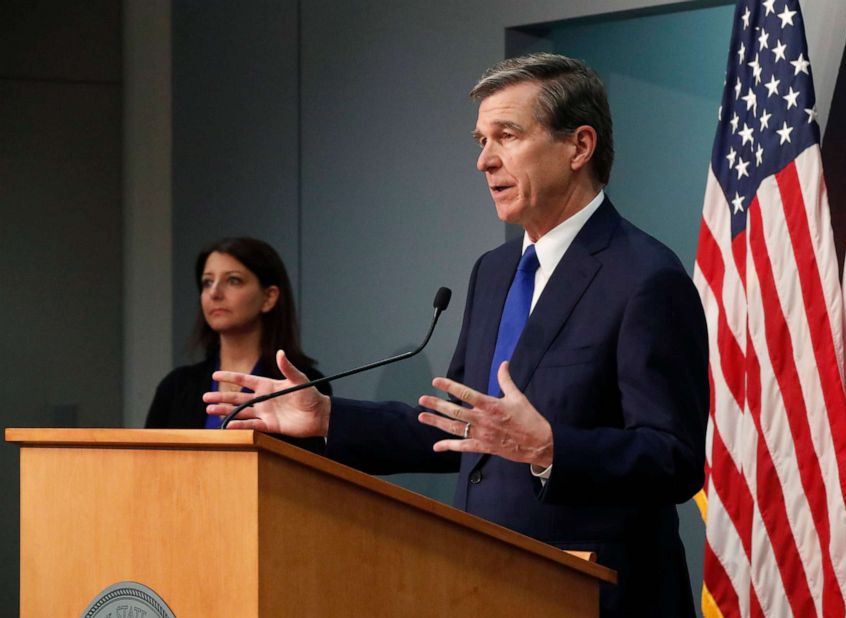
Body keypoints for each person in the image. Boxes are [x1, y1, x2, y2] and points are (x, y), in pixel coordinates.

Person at [204, 54, 708, 616]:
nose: (484, 161)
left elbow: (674, 458)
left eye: (507, 136)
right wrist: (329, 417)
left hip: (601, 596)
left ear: (579, 147)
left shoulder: (644, 276)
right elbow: (460, 428)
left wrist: (550, 447)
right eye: (480, 140)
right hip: (486, 587)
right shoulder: (493, 272)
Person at [146, 237, 328, 453]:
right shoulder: (176, 387)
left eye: (233, 280)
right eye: (207, 282)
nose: (214, 293)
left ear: (269, 297)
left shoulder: (302, 387)